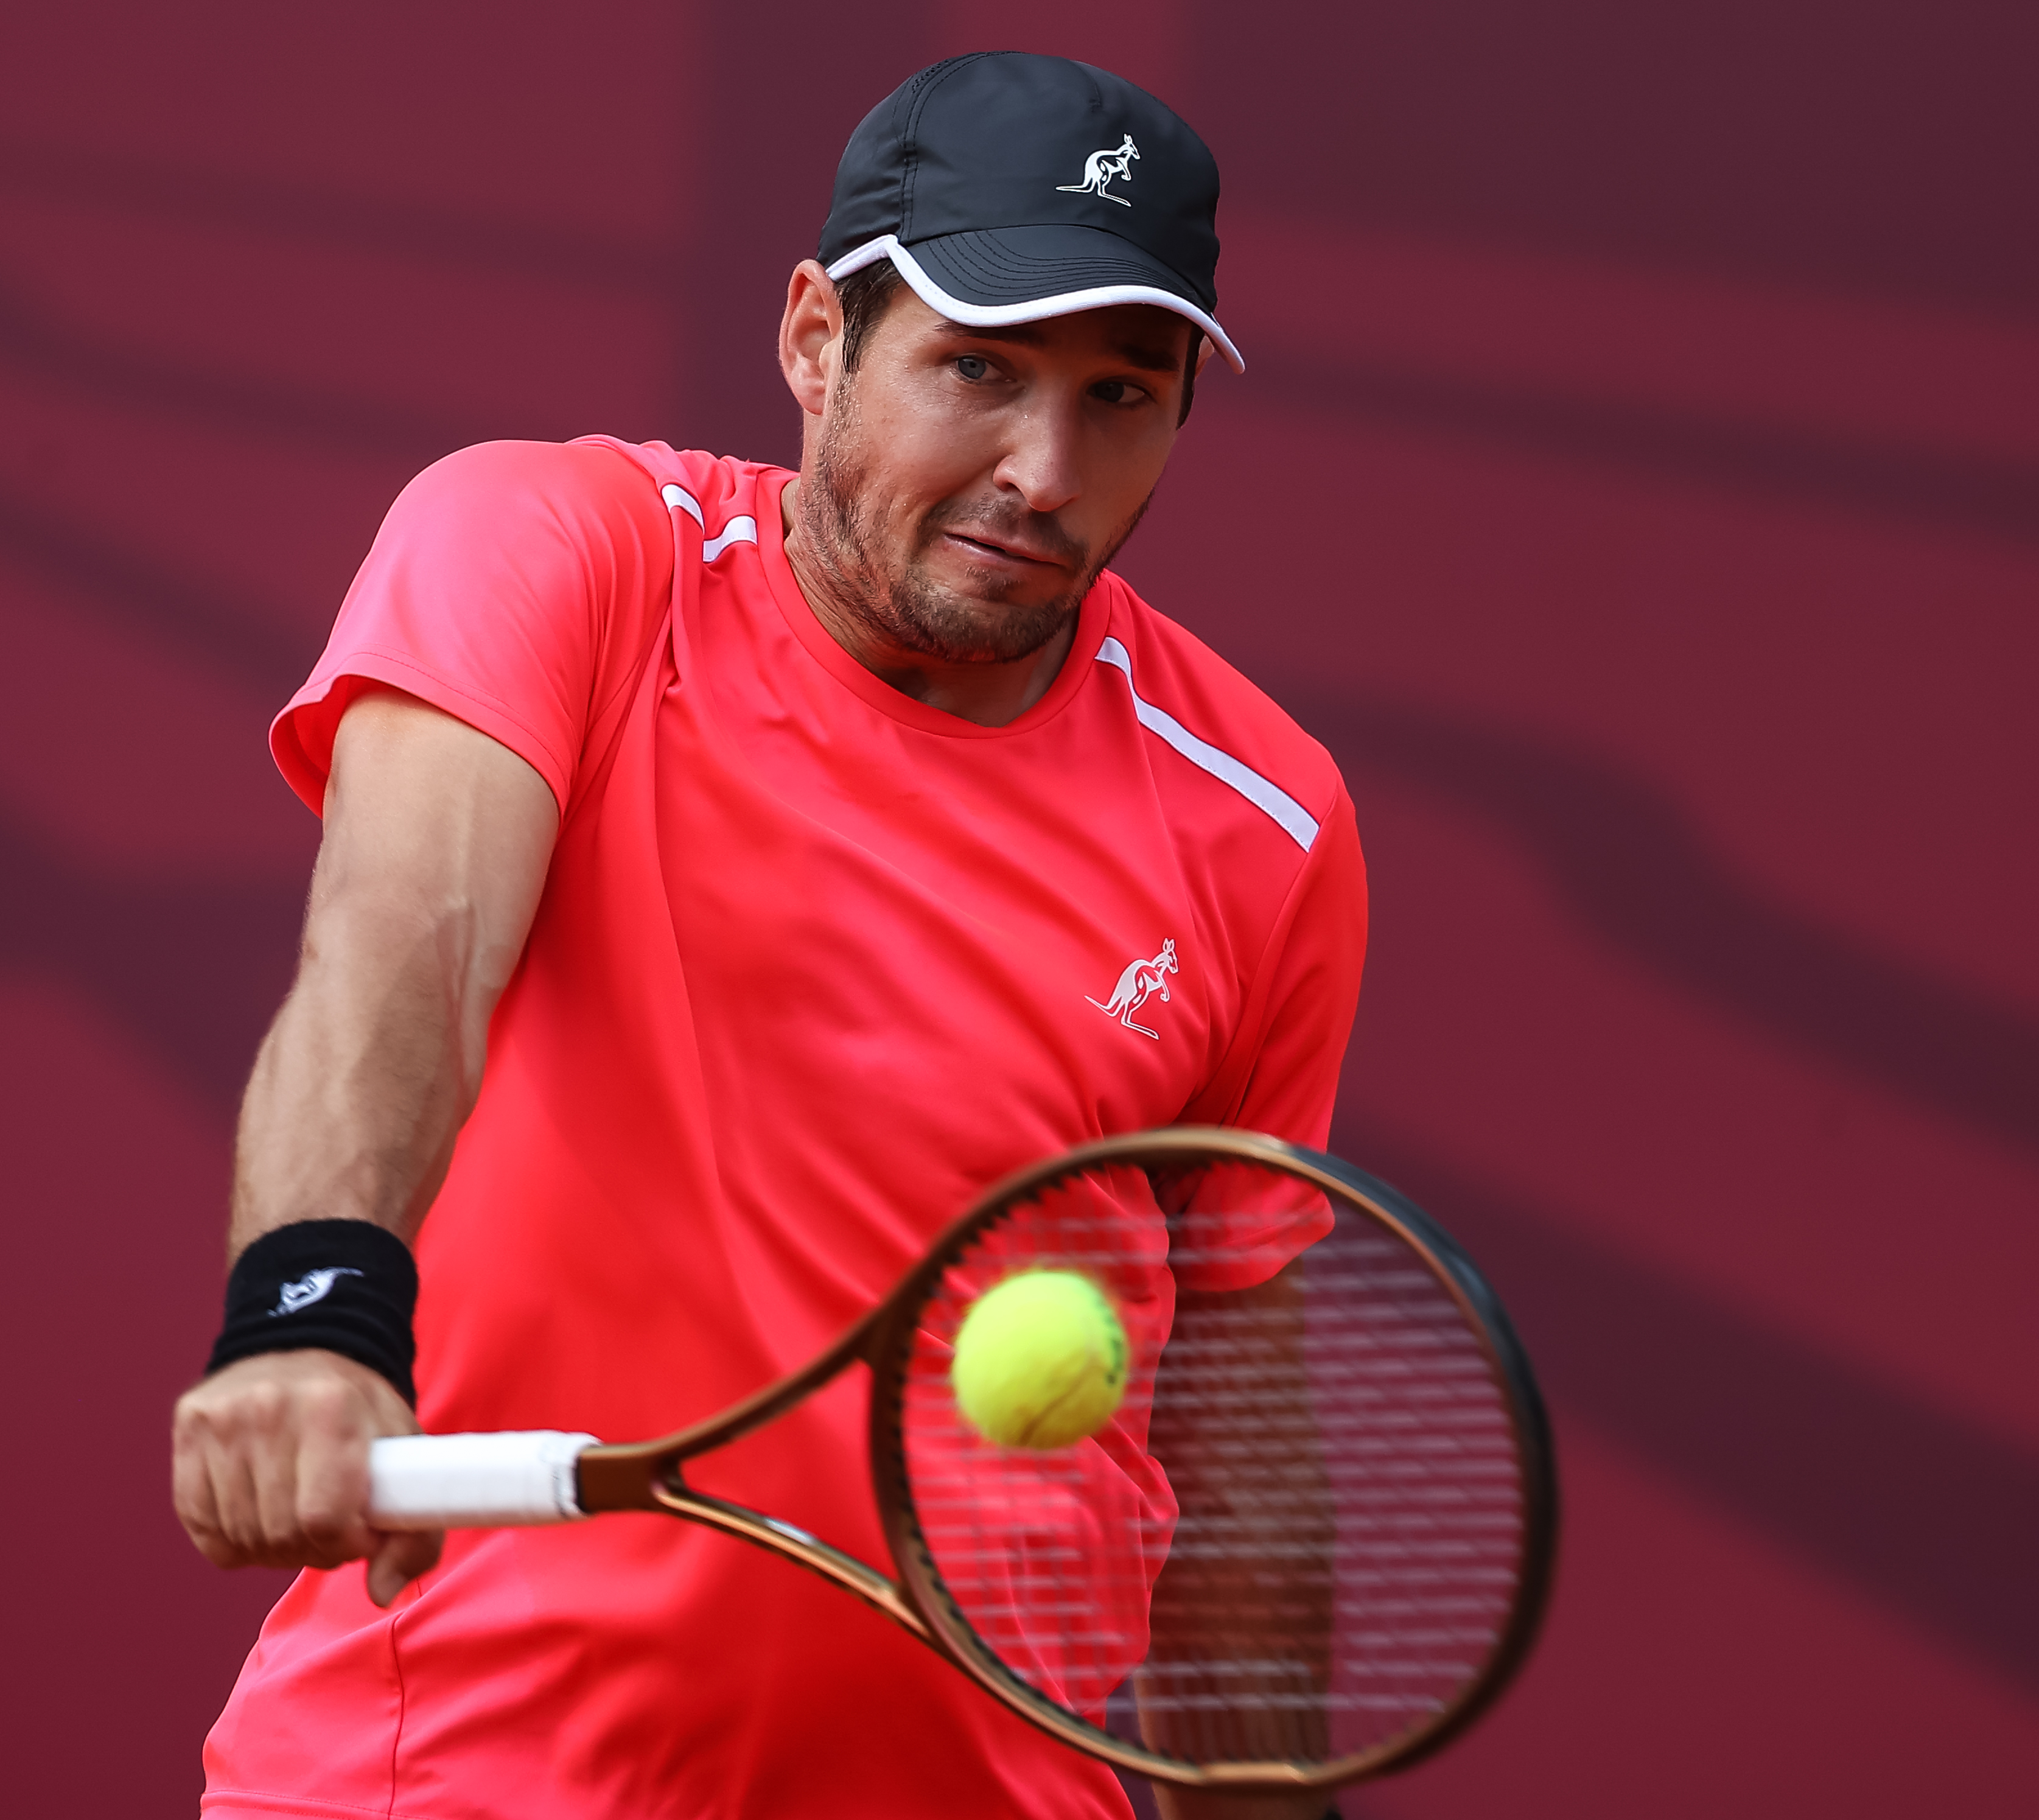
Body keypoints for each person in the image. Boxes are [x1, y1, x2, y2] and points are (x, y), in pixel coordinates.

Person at [172, 52, 1366, 1820]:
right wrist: (314, 1308)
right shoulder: (562, 548)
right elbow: (406, 936)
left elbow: (1230, 1393)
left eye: (1123, 393)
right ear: (816, 339)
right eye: (979, 367)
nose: (1045, 469)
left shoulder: (1265, 815)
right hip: (456, 1787)